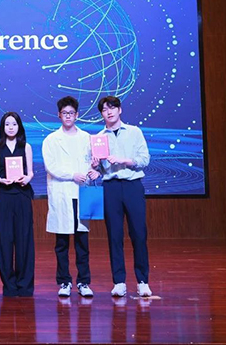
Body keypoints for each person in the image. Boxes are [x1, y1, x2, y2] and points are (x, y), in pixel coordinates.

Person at [92, 95, 153, 298]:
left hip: (133, 185)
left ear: (120, 110)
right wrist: (95, 166)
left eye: (112, 108)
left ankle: (142, 281)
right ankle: (119, 281)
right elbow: (101, 169)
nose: (108, 112)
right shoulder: (99, 138)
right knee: (114, 235)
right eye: (104, 109)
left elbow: (144, 159)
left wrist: (124, 160)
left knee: (139, 233)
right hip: (111, 187)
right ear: (101, 114)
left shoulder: (134, 132)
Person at [42, 96, 99, 298]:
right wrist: (72, 175)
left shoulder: (87, 138)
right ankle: (64, 281)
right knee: (62, 242)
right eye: (64, 113)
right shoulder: (51, 140)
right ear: (59, 115)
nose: (68, 116)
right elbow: (51, 166)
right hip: (62, 192)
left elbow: (93, 162)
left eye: (71, 113)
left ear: (77, 115)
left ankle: (84, 281)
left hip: (81, 192)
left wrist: (94, 168)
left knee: (82, 241)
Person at [0, 112, 35, 297]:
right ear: (3, 127)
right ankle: (9, 285)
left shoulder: (26, 147)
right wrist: (1, 179)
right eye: (7, 124)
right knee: (5, 240)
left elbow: (30, 172)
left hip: (22, 195)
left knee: (24, 240)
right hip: (4, 196)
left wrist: (27, 178)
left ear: (19, 127)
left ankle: (24, 285)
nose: (10, 127)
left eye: (14, 124)